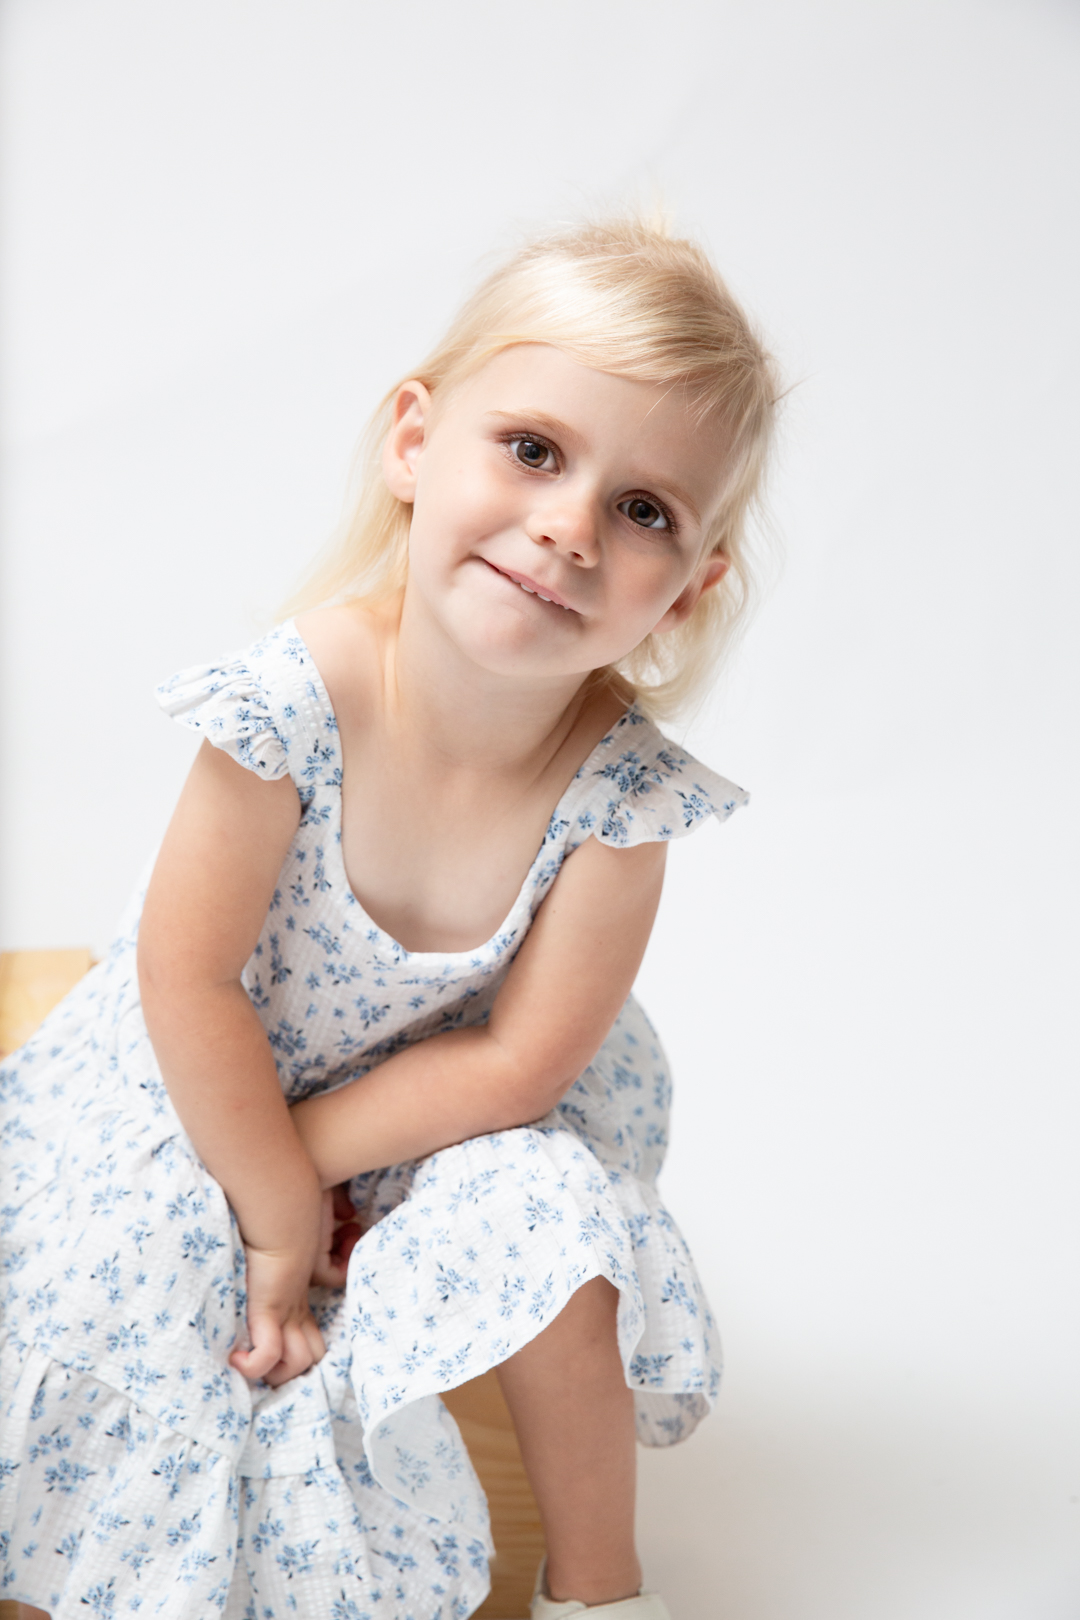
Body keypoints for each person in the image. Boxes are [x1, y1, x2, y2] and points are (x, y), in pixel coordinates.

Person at [0, 217, 778, 1620]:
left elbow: (514, 1068)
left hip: (447, 1113)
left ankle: (602, 1588)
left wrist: (326, 1164)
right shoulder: (296, 703)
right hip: (205, 1072)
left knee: (560, 1225)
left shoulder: (620, 802)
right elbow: (191, 981)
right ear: (417, 442)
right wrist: (276, 1205)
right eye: (535, 450)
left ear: (689, 586)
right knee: (143, 1271)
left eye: (646, 511)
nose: (568, 526)